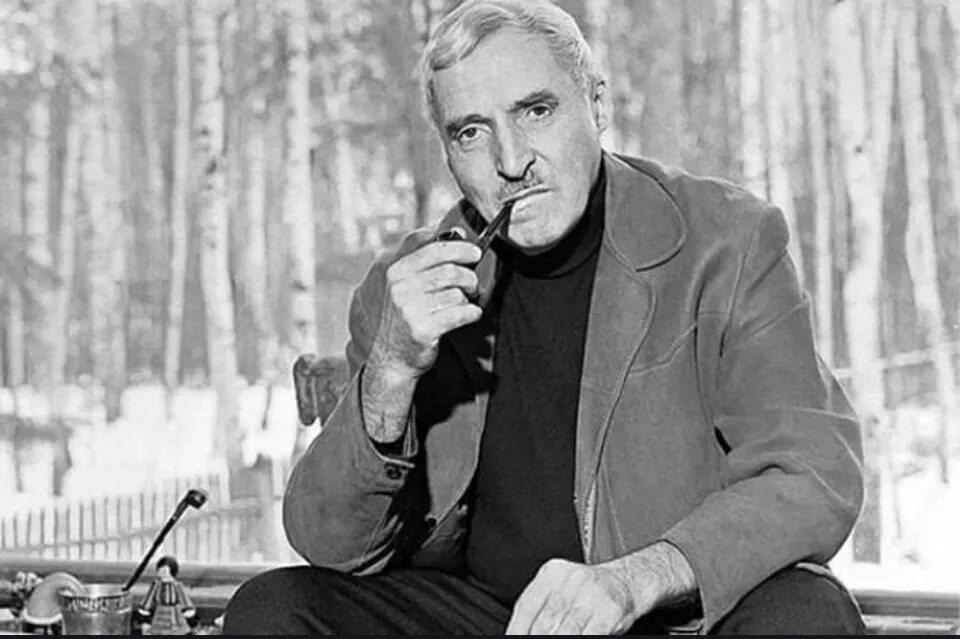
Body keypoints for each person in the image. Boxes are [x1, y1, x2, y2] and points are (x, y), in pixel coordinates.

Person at [223, 0, 866, 634]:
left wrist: (636, 580)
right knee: (272, 609)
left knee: (805, 612)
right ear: (448, 154)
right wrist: (391, 371)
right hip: (494, 617)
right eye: (471, 132)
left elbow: (811, 473)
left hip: (667, 613)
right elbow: (331, 546)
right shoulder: (405, 290)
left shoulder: (727, 242)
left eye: (536, 110)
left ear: (597, 106)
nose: (510, 161)